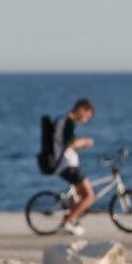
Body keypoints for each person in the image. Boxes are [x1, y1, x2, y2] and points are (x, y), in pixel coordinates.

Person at [52, 99, 96, 236]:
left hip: (61, 163)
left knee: (78, 196)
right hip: (67, 164)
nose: (86, 120)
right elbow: (69, 143)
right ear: (81, 109)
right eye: (87, 116)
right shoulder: (69, 122)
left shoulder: (61, 119)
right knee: (89, 196)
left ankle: (70, 221)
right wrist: (85, 142)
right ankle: (66, 223)